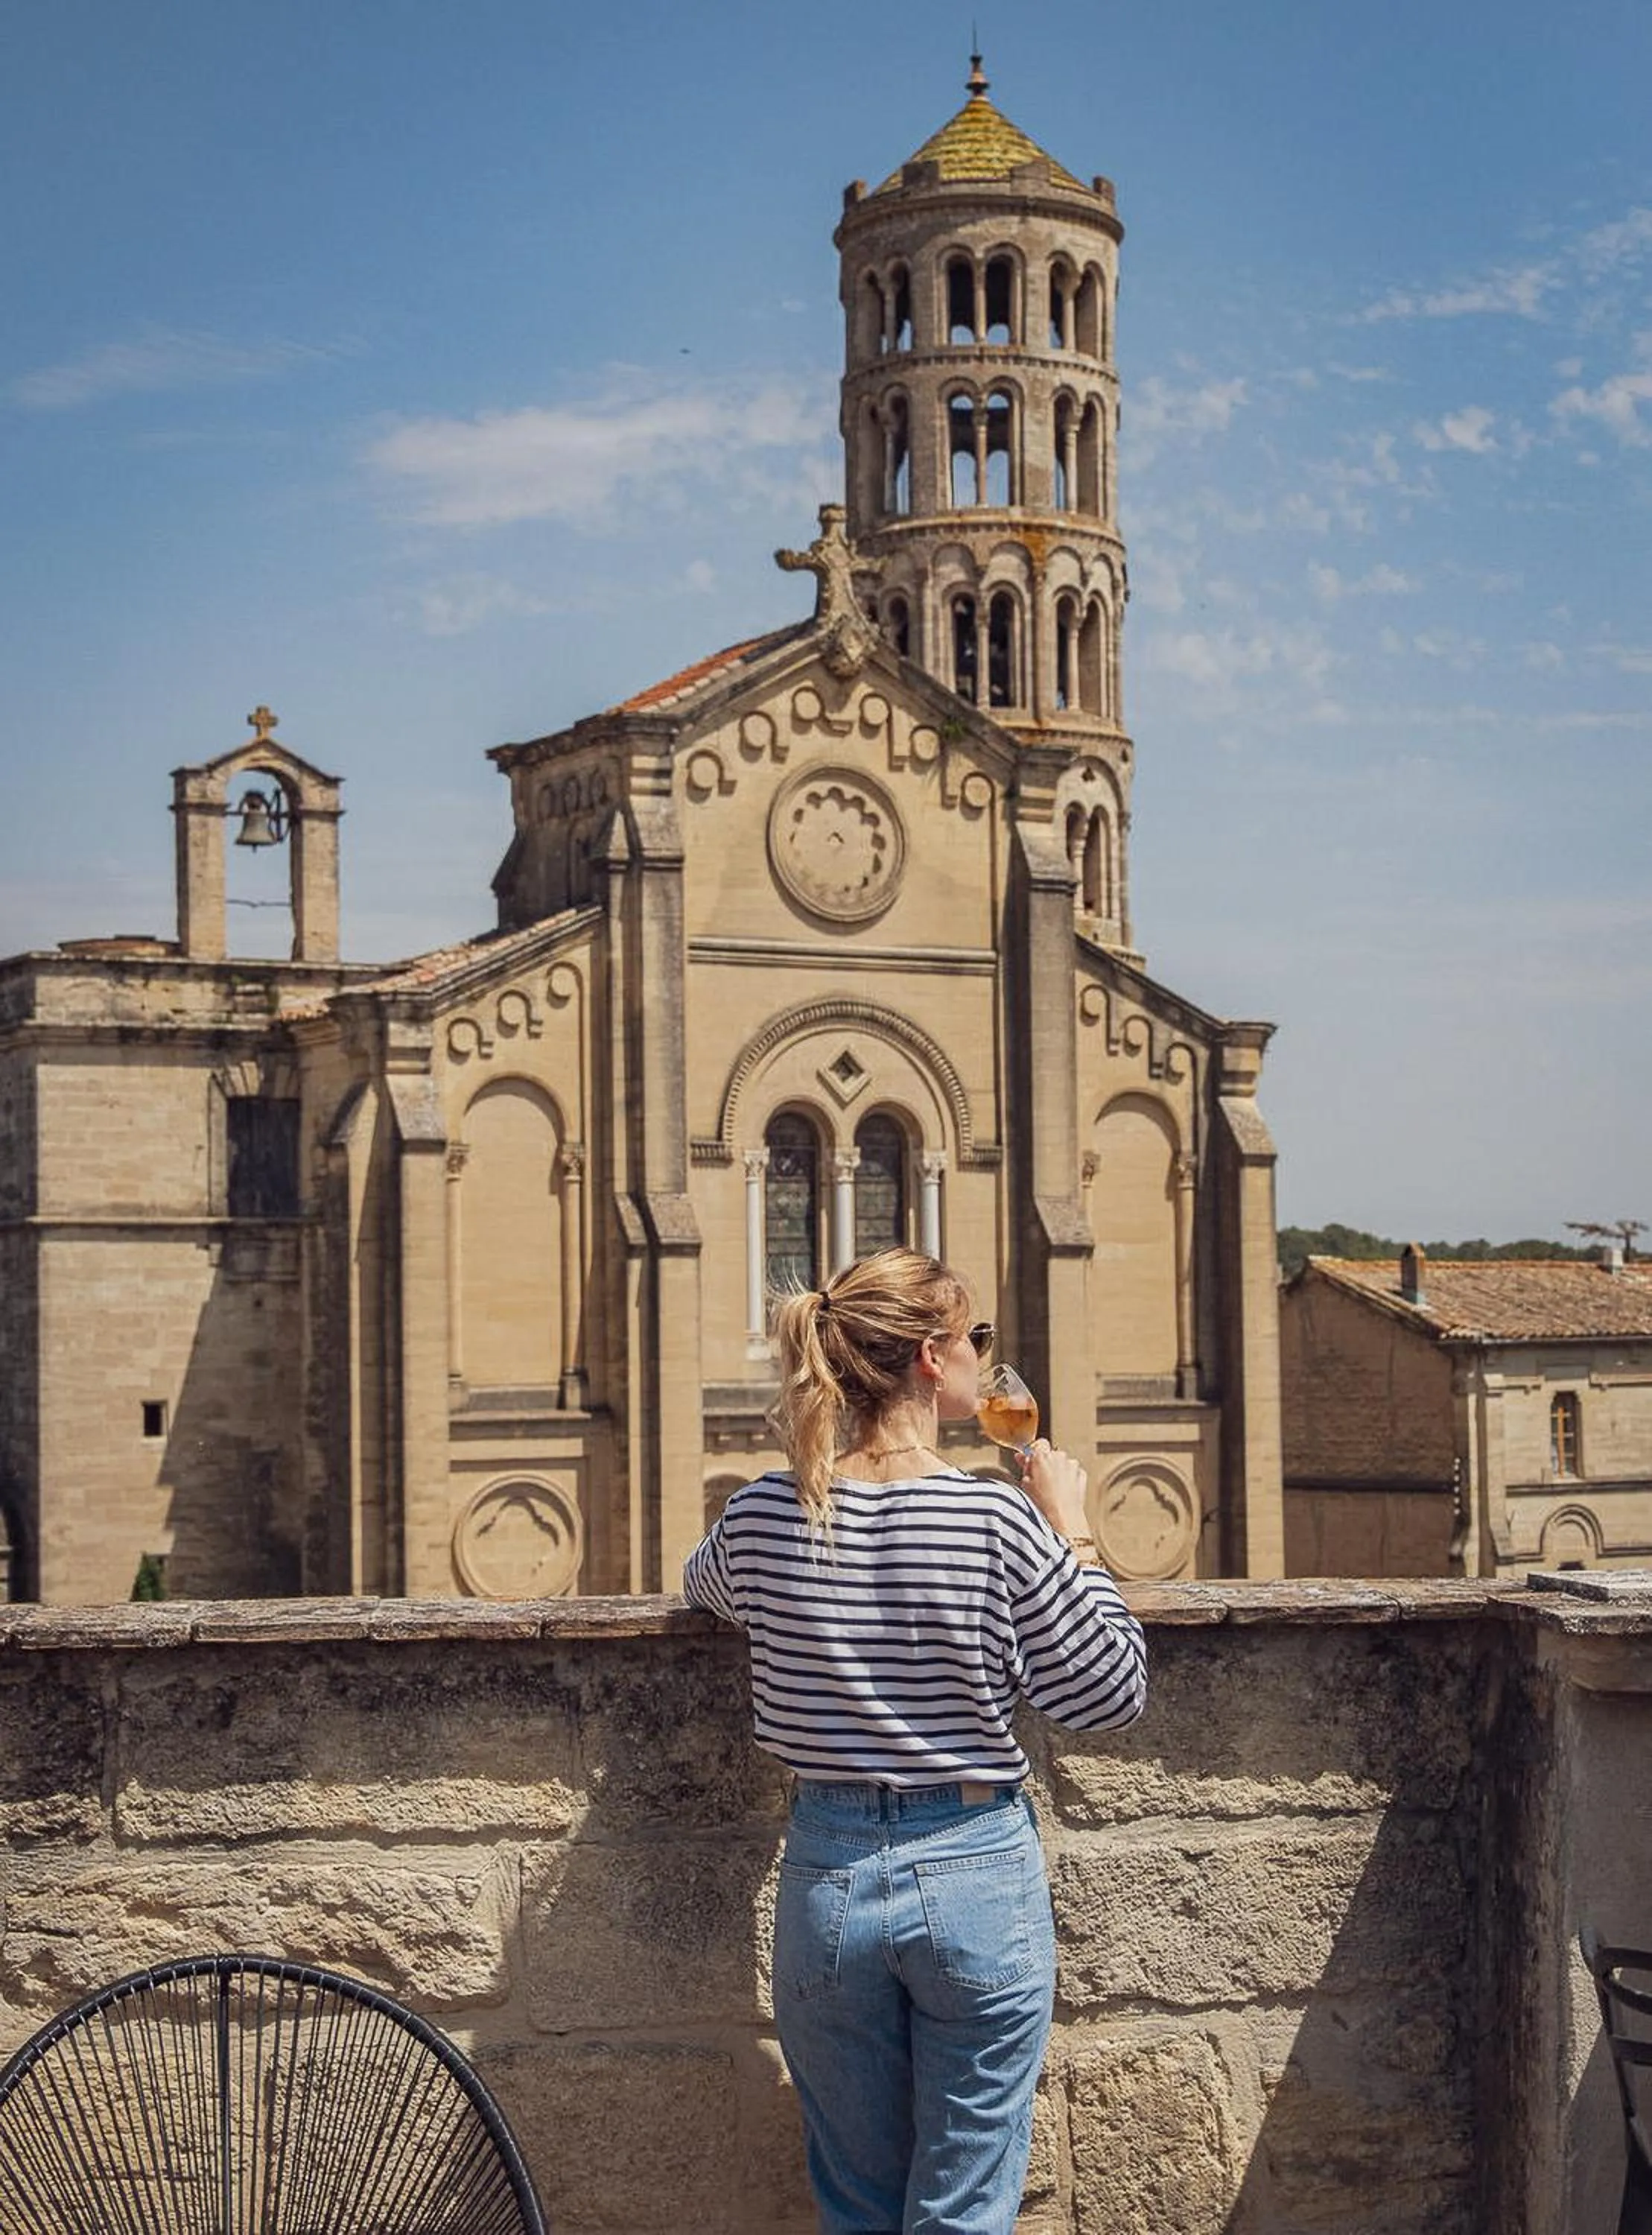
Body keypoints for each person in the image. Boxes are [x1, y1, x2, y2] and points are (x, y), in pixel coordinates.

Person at [682, 1247, 1147, 2235]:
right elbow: (1108, 1692)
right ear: (933, 1363)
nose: (985, 1357)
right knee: (964, 2206)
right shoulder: (994, 1518)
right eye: (973, 1338)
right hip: (975, 1868)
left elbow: (704, 1590)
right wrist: (1070, 1532)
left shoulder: (766, 1510)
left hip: (828, 1877)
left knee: (854, 2202)